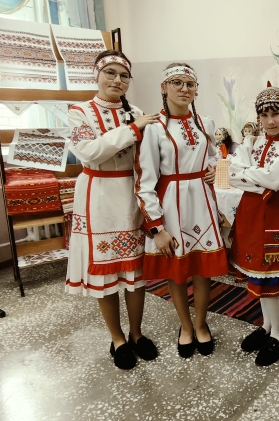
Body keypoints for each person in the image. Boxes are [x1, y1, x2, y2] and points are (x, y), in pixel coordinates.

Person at [65, 50, 160, 370]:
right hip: (98, 196)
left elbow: (152, 156)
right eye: (110, 73)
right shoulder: (79, 112)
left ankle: (136, 333)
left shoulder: (137, 112)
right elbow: (89, 152)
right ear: (97, 75)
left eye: (124, 75)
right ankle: (117, 339)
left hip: (131, 195)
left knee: (135, 272)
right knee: (105, 270)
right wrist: (133, 129)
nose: (117, 80)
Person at [135, 63, 228, 358]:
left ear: (196, 90)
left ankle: (201, 324)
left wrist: (213, 169)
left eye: (189, 84)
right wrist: (157, 228)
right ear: (164, 88)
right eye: (176, 82)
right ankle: (185, 326)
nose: (184, 89)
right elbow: (145, 181)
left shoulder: (205, 123)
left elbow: (214, 155)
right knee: (176, 271)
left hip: (202, 201)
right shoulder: (154, 128)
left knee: (202, 269)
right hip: (171, 203)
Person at [228, 83, 279, 366]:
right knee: (257, 275)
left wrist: (250, 173)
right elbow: (232, 175)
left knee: (269, 277)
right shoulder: (253, 143)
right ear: (258, 117)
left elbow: (275, 180)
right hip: (250, 212)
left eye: (276, 114)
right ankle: (267, 326)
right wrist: (259, 175)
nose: (270, 121)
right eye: (265, 115)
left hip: (274, 215)